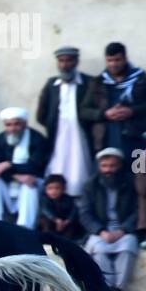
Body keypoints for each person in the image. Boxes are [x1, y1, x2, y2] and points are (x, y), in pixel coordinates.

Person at [81, 42, 146, 160]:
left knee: (139, 171)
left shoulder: (140, 78)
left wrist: (132, 111)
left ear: (125, 59)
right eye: (109, 60)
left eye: (117, 60)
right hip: (106, 139)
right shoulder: (98, 82)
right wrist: (104, 114)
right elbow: (83, 111)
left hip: (136, 138)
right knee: (110, 173)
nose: (113, 64)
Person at [37, 45, 93, 197]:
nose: (64, 65)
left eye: (68, 61)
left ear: (76, 62)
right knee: (57, 166)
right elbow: (41, 113)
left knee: (80, 167)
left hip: (80, 135)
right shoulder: (51, 84)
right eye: (61, 61)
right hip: (58, 135)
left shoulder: (89, 82)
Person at [80, 149, 139, 291]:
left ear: (120, 166)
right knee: (98, 250)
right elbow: (84, 213)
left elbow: (138, 211)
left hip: (124, 231)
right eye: (104, 166)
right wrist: (100, 231)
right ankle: (108, 288)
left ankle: (118, 288)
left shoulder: (132, 183)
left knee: (128, 247)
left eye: (112, 166)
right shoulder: (90, 185)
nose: (108, 170)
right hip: (101, 231)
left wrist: (123, 230)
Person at [0, 108, 49, 229]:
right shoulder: (0, 139)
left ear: (25, 124)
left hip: (31, 183)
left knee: (29, 183)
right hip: (8, 183)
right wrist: (16, 175)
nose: (12, 128)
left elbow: (36, 166)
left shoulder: (37, 139)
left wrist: (9, 165)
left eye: (17, 124)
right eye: (9, 125)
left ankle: (25, 228)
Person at [37, 174, 84, 242]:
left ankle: (67, 243)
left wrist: (68, 221)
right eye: (50, 188)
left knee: (72, 227)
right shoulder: (44, 199)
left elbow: (74, 211)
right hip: (51, 222)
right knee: (44, 221)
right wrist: (56, 220)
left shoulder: (68, 199)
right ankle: (48, 241)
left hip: (65, 222)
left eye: (57, 188)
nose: (53, 191)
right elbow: (45, 211)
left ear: (64, 188)